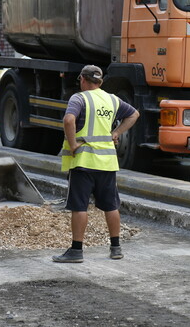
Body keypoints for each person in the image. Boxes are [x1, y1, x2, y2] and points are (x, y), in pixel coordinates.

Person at [53, 65, 139, 263]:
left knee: (79, 206)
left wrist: (73, 143)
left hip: (83, 162)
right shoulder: (112, 99)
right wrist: (116, 132)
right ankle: (116, 248)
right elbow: (134, 114)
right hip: (107, 162)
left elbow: (68, 120)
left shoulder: (79, 98)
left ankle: (76, 251)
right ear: (100, 82)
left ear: (83, 79)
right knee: (111, 205)